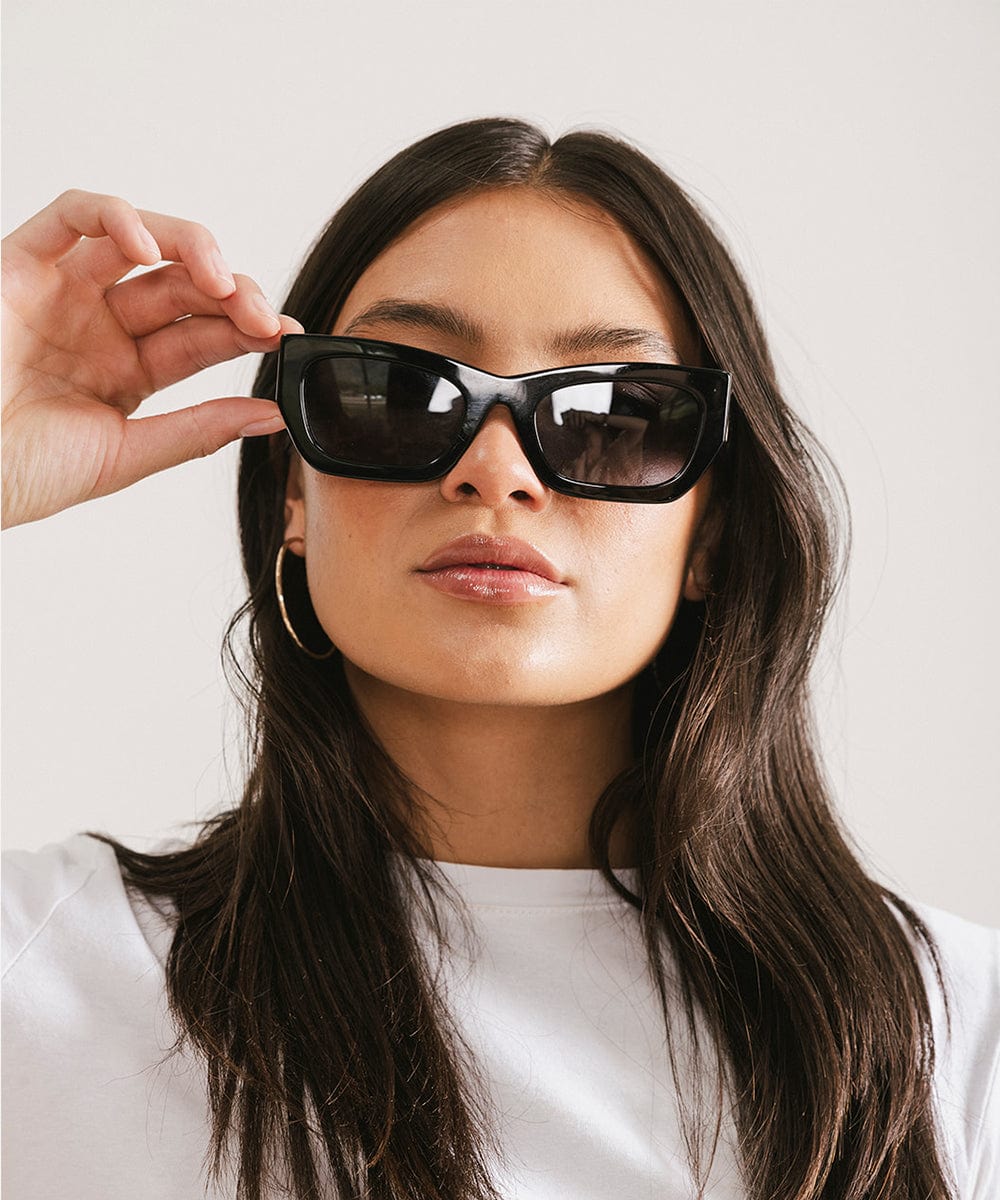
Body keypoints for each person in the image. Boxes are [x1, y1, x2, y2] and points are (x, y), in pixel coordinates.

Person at [1, 118, 996, 1200]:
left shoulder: (955, 1039)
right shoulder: (43, 970)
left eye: (610, 413)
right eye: (398, 393)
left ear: (711, 532)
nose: (496, 470)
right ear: (293, 493)